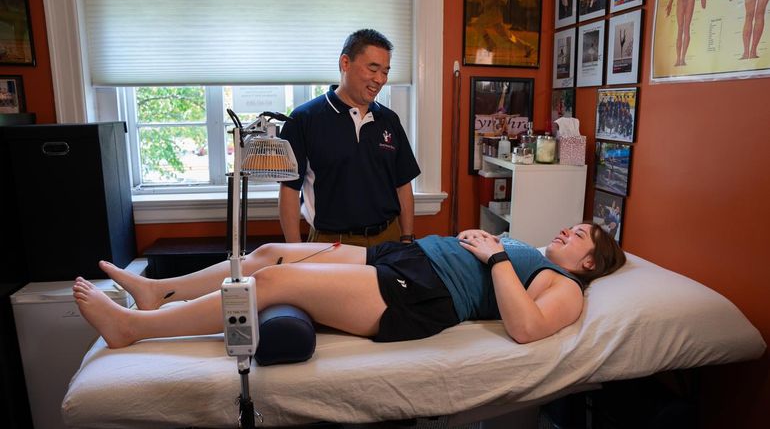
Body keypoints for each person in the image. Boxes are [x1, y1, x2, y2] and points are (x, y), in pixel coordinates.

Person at [72, 224, 626, 348]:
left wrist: (497, 254)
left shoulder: (565, 288)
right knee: (267, 252)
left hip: (421, 292)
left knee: (271, 281)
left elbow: (526, 328)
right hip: (403, 256)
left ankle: (133, 328)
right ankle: (158, 290)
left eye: (582, 236)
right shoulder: (532, 249)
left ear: (587, 265)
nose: (570, 231)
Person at [278, 29, 421, 247]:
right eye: (373, 69)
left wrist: (407, 238)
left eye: (385, 71)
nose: (380, 80)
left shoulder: (389, 120)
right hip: (329, 243)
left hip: (387, 239)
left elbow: (403, 185)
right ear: (345, 63)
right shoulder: (303, 119)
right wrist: (293, 252)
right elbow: (289, 190)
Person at [666, 0, 707, 66]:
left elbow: (703, 5)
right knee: (680, 29)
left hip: (690, 0)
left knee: (686, 28)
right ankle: (678, 59)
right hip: (681, 1)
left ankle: (682, 59)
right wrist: (670, 3)